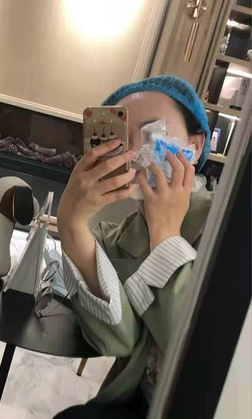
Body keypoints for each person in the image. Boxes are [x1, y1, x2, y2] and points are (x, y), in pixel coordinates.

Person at [54, 75, 213, 419]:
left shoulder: (229, 228)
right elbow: (118, 340)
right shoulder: (115, 240)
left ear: (196, 145)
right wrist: (71, 225)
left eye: (152, 132)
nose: (137, 154)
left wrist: (166, 236)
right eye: (121, 141)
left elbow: (202, 359)